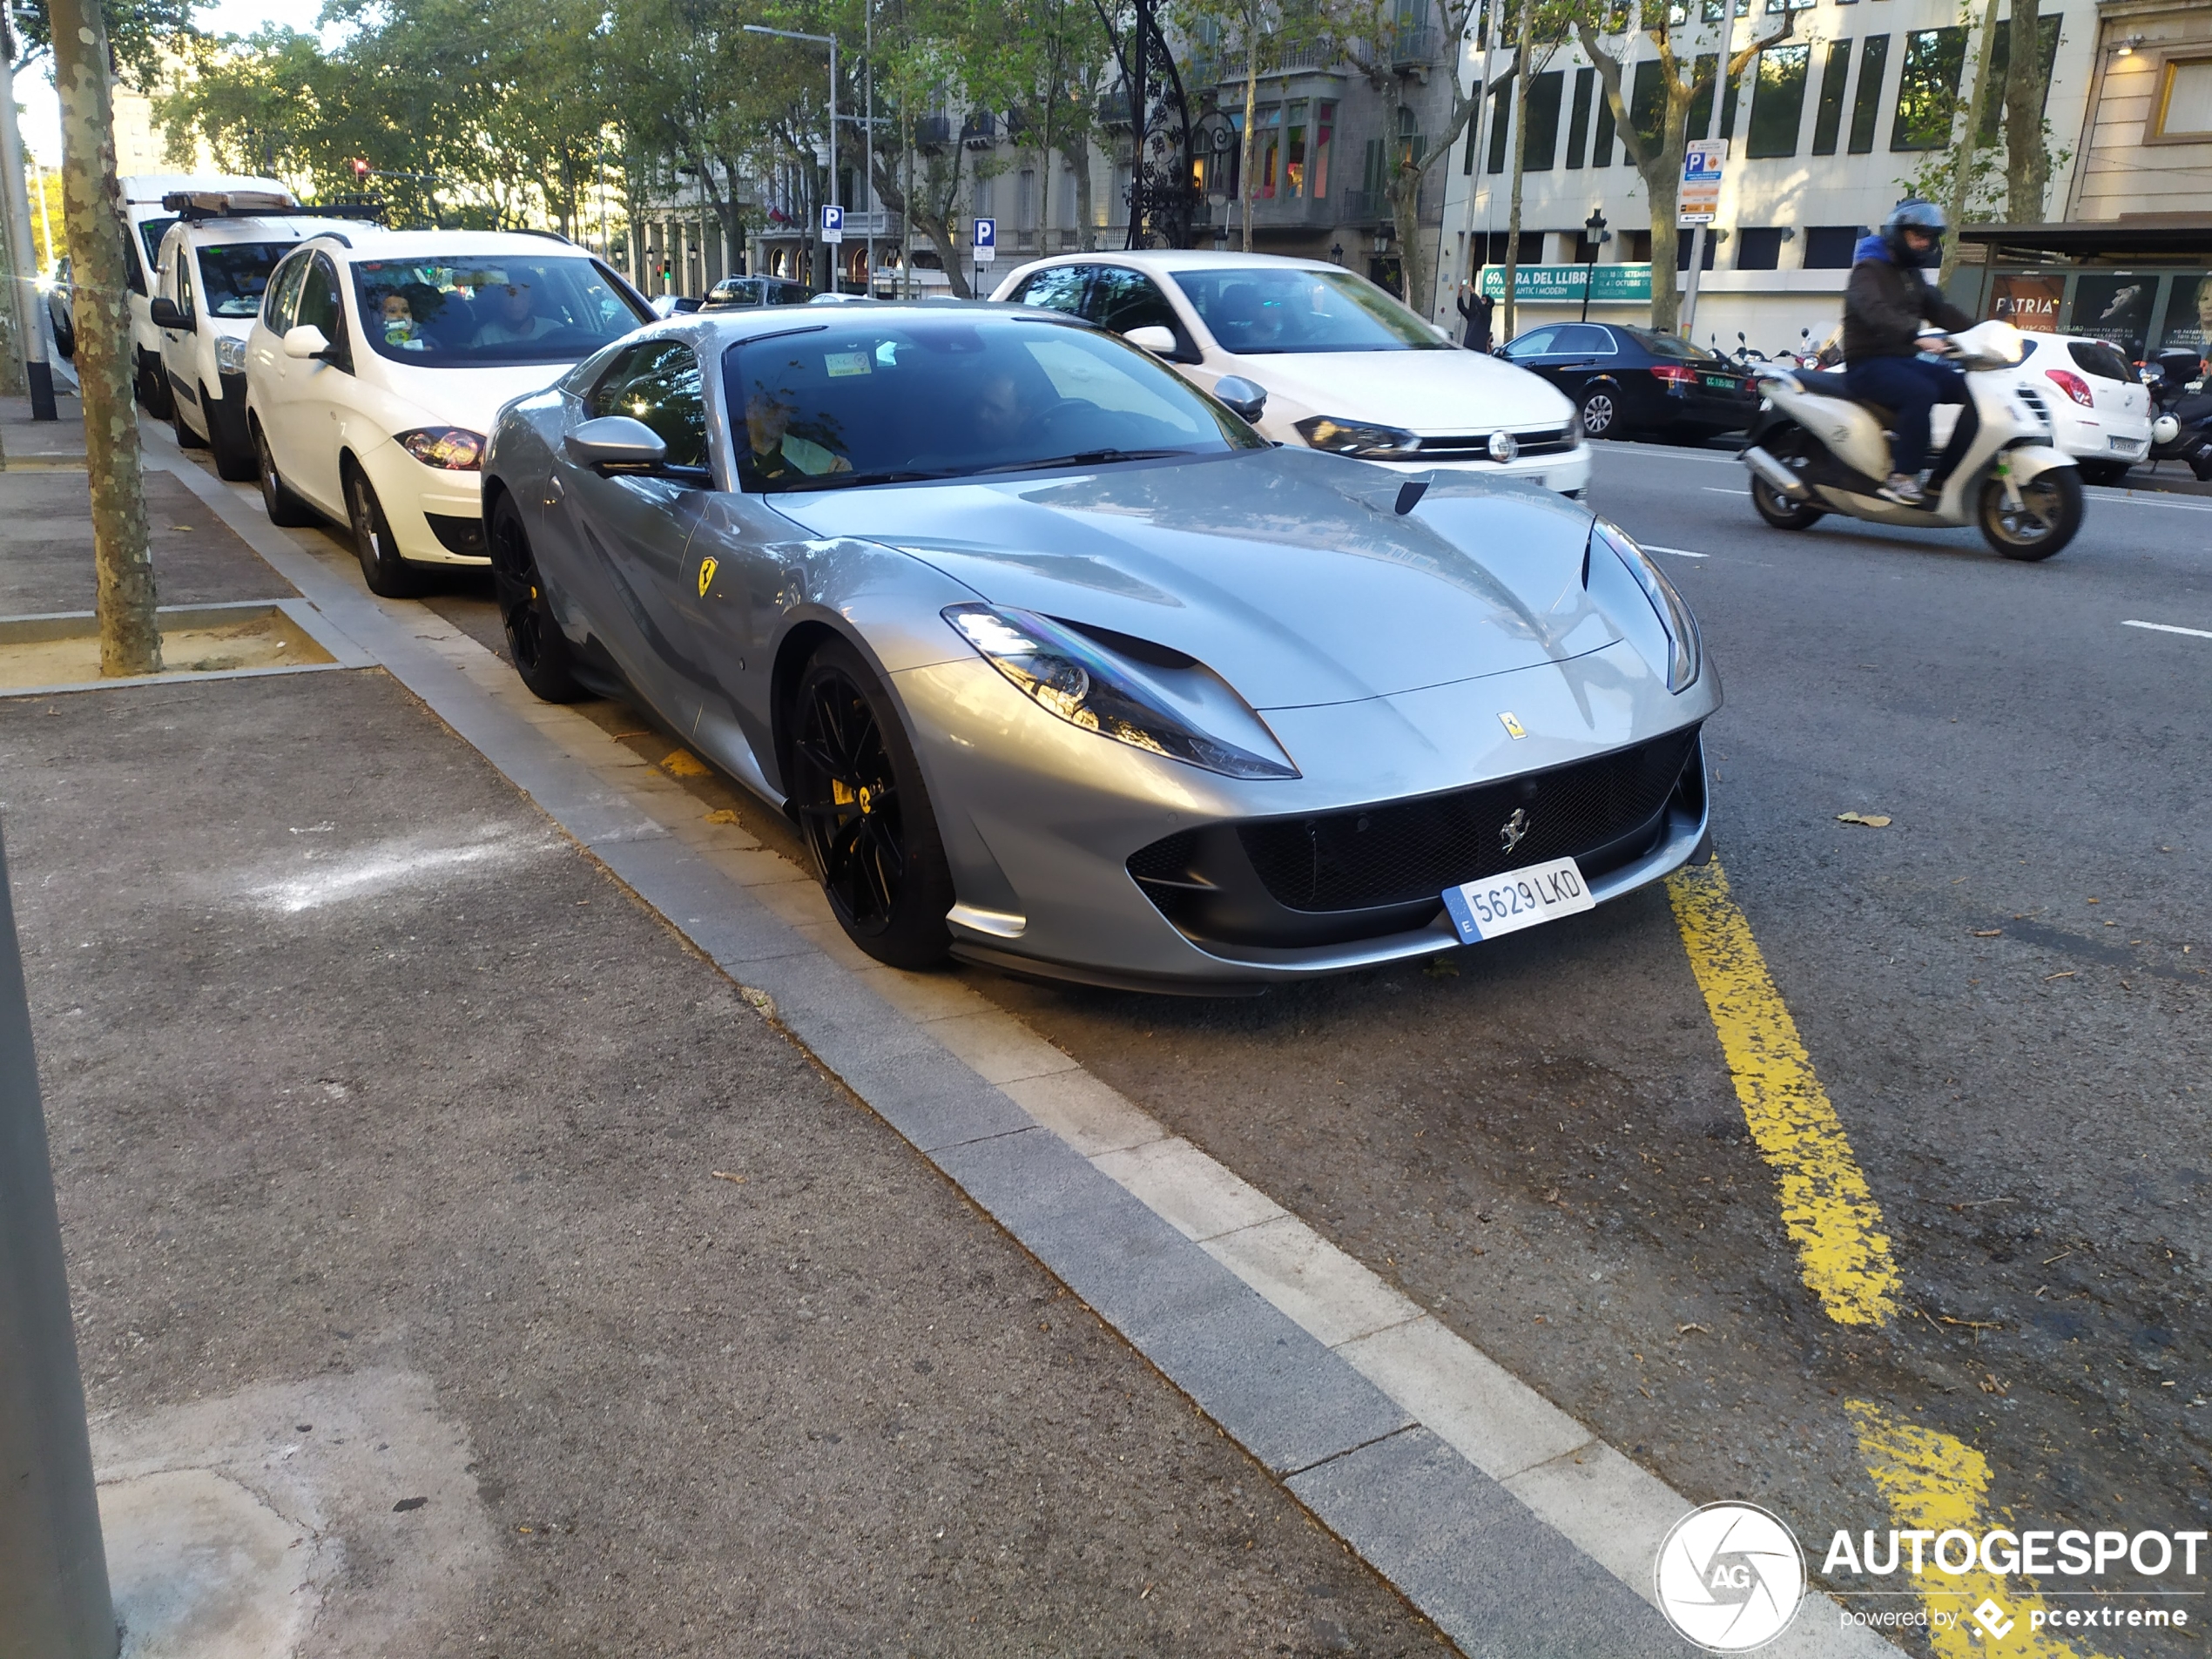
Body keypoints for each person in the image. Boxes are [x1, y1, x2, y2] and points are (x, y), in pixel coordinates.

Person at [1842, 200, 1977, 505]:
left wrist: (1981, 332)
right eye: (1918, 235)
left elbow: (1940, 310)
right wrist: (1915, 336)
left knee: (1971, 390)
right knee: (1921, 392)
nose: (1924, 243)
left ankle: (1945, 476)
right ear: (1897, 233)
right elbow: (1874, 311)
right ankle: (1902, 476)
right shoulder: (1868, 270)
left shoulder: (1913, 275)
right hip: (1867, 364)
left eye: (1929, 237)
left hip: (1902, 362)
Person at [743, 387, 849, 482]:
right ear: (750, 410)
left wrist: (845, 474)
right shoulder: (730, 459)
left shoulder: (812, 455)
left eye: (788, 409)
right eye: (773, 407)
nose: (782, 415)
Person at [475, 278, 558, 346]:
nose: (514, 302)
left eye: (521, 296)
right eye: (508, 296)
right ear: (500, 301)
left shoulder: (554, 331)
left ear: (531, 302)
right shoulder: (485, 337)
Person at [1456, 273, 1495, 353]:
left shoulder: (1487, 316)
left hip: (1478, 351)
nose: (1481, 301)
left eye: (1483, 300)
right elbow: (1462, 308)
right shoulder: (1474, 315)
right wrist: (1460, 292)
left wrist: (1472, 290)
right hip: (1467, 349)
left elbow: (1480, 306)